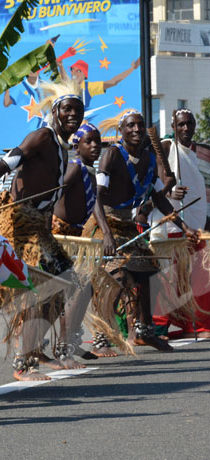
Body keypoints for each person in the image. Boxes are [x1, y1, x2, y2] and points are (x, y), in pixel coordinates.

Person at [83, 108, 198, 351]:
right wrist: (106, 234)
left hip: (126, 225)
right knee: (117, 278)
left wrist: (184, 226)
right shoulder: (112, 155)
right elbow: (96, 198)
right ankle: (101, 337)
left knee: (148, 273)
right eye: (130, 125)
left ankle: (144, 330)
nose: (136, 129)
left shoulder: (147, 157)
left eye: (140, 125)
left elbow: (160, 198)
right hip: (104, 223)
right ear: (121, 131)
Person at [0, 80, 88, 381]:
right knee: (36, 287)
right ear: (55, 112)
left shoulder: (64, 149)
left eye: (78, 109)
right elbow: (13, 157)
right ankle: (23, 363)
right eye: (67, 109)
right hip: (19, 222)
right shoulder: (42, 136)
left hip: (40, 226)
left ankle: (34, 350)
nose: (73, 114)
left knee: (68, 282)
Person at [149, 109, 210, 340]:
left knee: (199, 278)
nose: (186, 128)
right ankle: (159, 327)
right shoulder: (167, 146)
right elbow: (158, 175)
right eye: (181, 124)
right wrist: (169, 190)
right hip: (171, 225)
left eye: (189, 124)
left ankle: (196, 323)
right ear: (173, 125)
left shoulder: (192, 153)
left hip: (192, 226)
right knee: (168, 279)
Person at [51, 122, 117, 358]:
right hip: (60, 235)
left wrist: (106, 232)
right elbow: (56, 192)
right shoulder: (75, 167)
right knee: (75, 290)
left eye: (98, 141)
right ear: (76, 145)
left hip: (75, 235)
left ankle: (69, 342)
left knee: (83, 290)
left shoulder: (87, 171)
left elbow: (95, 203)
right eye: (89, 141)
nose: (95, 146)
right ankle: (63, 347)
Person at [59, 58, 140, 110]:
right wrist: (61, 66)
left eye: (79, 71)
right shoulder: (68, 86)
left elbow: (113, 82)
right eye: (73, 70)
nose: (74, 73)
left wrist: (131, 69)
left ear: (85, 75)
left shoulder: (89, 87)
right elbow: (65, 80)